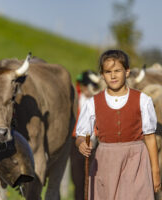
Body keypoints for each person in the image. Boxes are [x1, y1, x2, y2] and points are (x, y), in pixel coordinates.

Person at [75, 49, 161, 200]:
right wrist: (81, 143)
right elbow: (81, 135)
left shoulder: (143, 100)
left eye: (117, 71)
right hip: (106, 161)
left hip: (136, 160)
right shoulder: (92, 104)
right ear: (102, 75)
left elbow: (150, 137)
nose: (113, 75)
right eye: (108, 72)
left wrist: (155, 171)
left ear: (127, 72)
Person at [71, 70, 103, 200]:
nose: (91, 89)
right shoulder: (75, 99)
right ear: (83, 86)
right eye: (89, 86)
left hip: (95, 143)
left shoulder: (98, 100)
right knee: (78, 180)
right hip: (76, 143)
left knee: (93, 178)